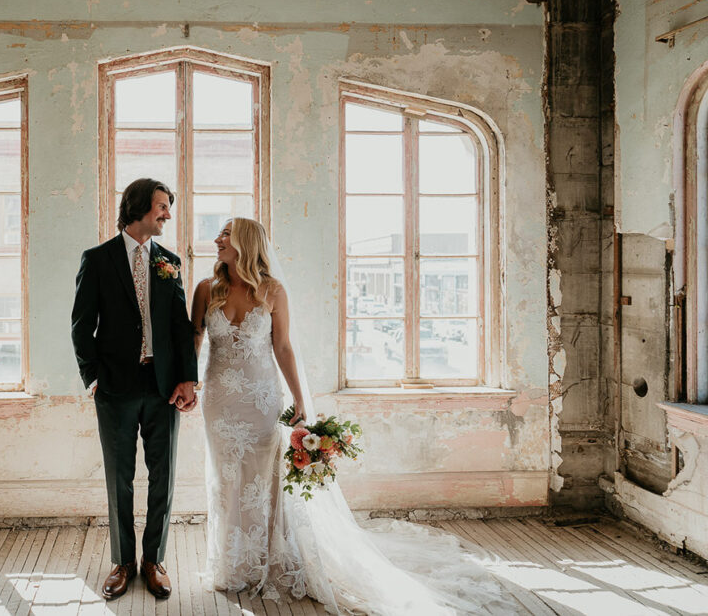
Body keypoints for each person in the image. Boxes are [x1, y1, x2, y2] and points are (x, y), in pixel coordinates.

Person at [192, 217, 513, 615]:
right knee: (225, 479)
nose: (217, 239)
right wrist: (189, 384)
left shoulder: (273, 291)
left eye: (225, 234)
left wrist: (300, 400)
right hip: (220, 401)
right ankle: (230, 562)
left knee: (264, 481)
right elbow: (195, 340)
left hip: (261, 399)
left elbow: (284, 348)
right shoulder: (207, 289)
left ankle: (268, 558)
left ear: (245, 242)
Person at [70, 178, 199, 601]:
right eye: (162, 206)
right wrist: (93, 377)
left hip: (163, 387)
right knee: (119, 479)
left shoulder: (170, 262)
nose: (166, 214)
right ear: (140, 208)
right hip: (116, 388)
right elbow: (80, 325)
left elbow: (181, 328)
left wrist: (187, 378)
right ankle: (123, 562)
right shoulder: (98, 259)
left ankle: (154, 560)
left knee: (163, 476)